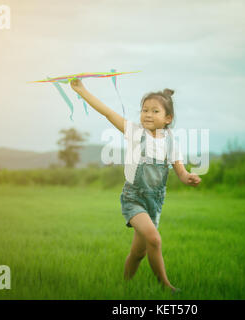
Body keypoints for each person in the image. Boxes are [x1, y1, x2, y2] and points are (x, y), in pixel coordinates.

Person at [70, 78, 201, 293]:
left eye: (154, 111)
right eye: (144, 110)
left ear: (168, 118)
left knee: (138, 253)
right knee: (154, 239)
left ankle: (125, 286)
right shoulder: (135, 133)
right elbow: (108, 112)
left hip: (154, 203)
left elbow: (181, 172)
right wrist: (81, 90)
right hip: (134, 199)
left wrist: (190, 178)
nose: (147, 114)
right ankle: (165, 286)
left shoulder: (170, 142)